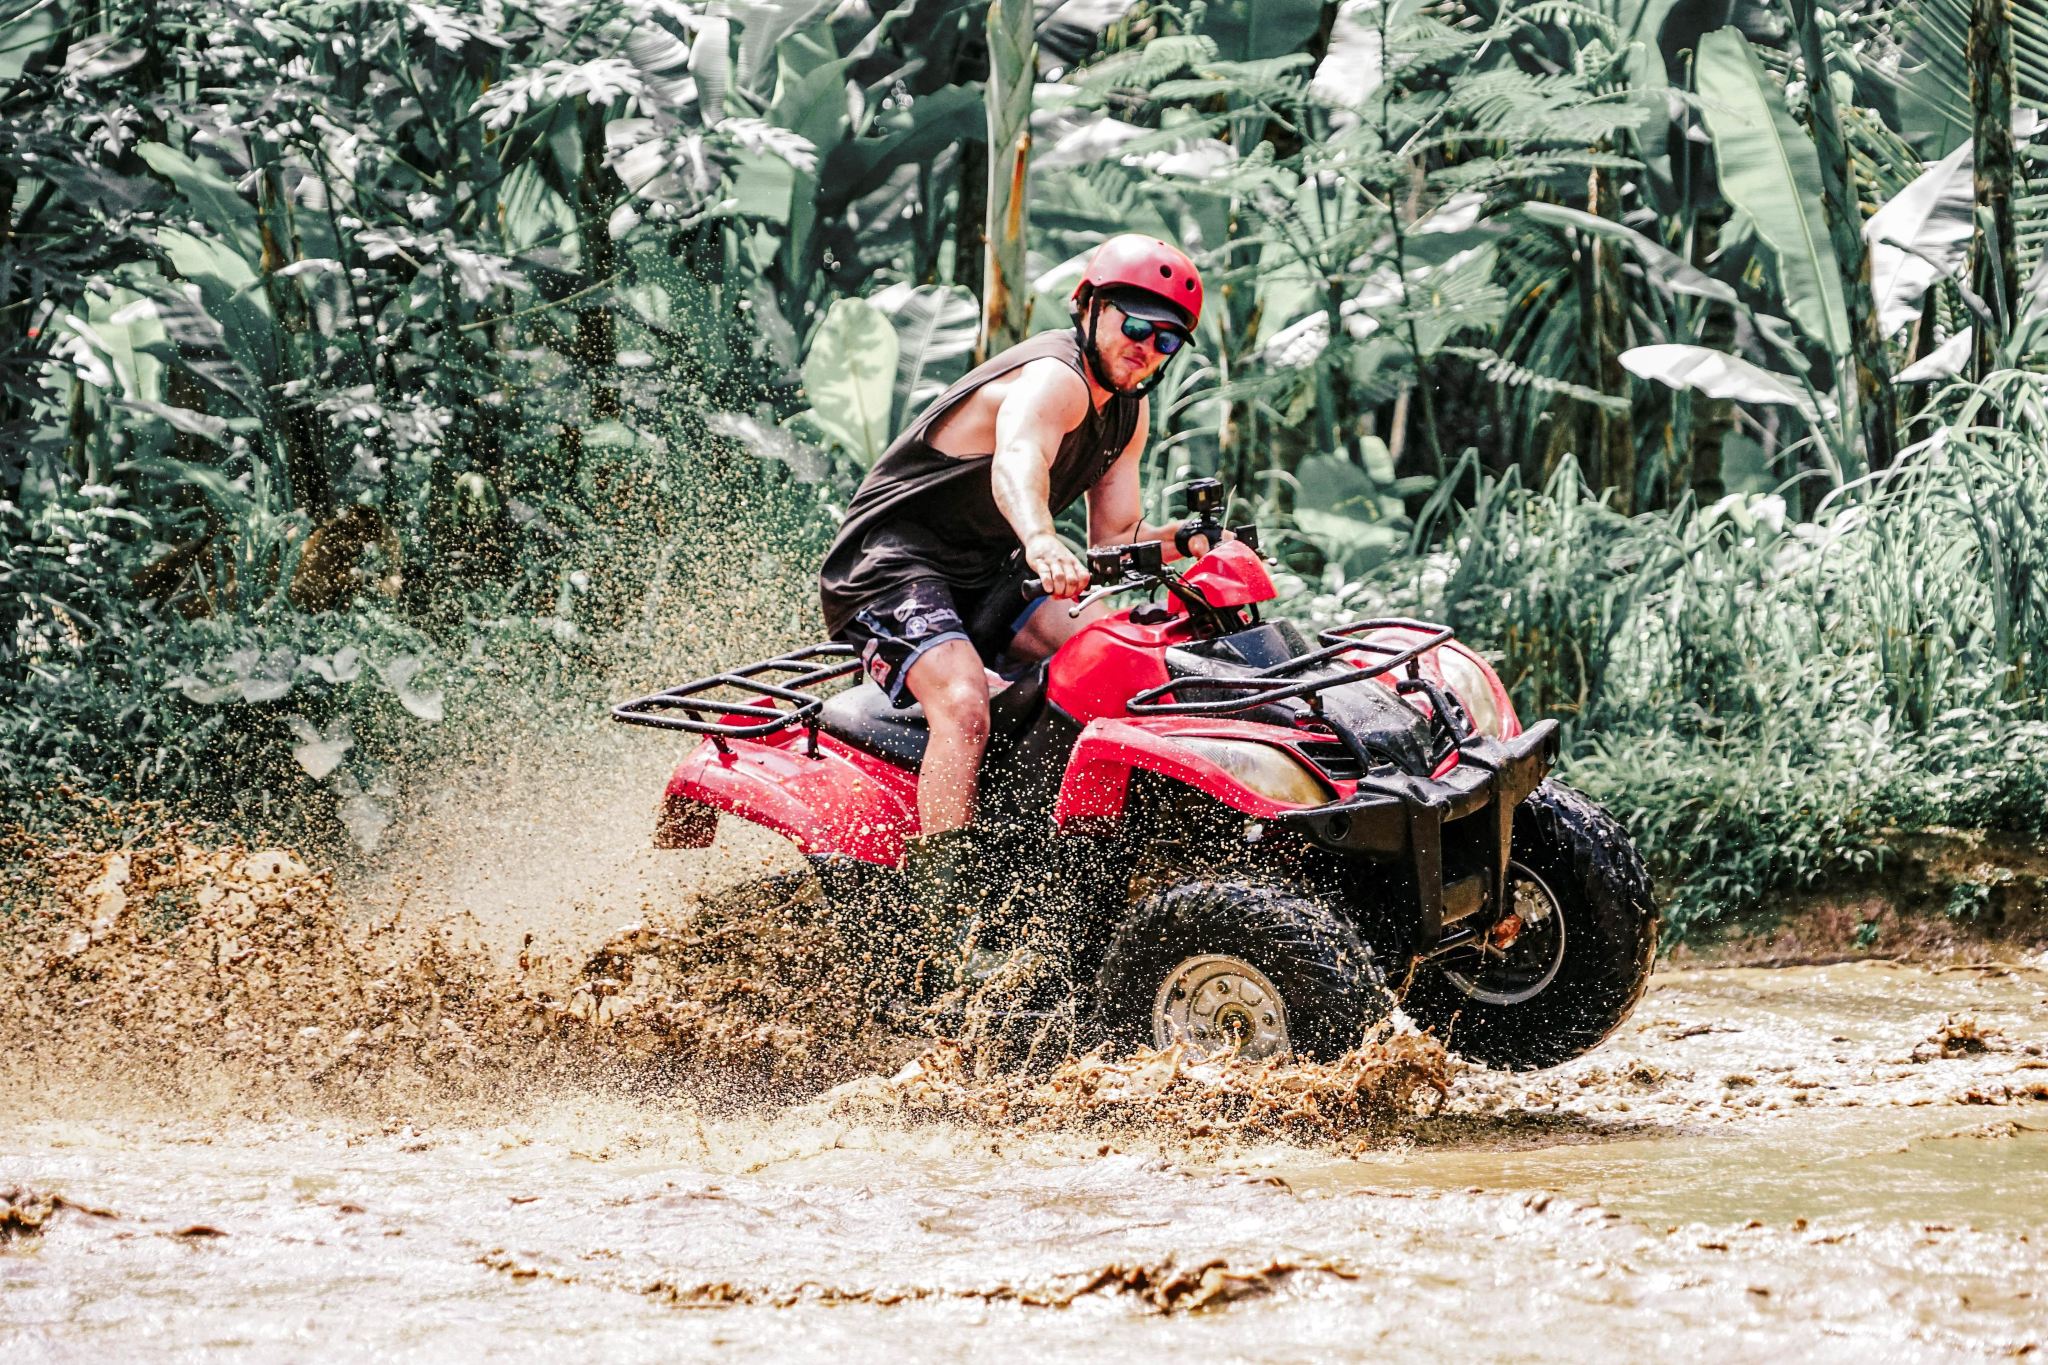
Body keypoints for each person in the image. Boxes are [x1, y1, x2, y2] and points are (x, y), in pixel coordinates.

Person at [817, 234, 1218, 974]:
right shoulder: (1053, 379)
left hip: (987, 573)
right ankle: (943, 918)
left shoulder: (1126, 412)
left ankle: (1049, 837)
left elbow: (1118, 536)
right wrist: (1039, 538)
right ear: (1089, 309)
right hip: (892, 563)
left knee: (1115, 654)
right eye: (1134, 323)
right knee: (963, 704)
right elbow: (1018, 463)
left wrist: (1190, 543)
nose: (1146, 347)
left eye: (1166, 338)